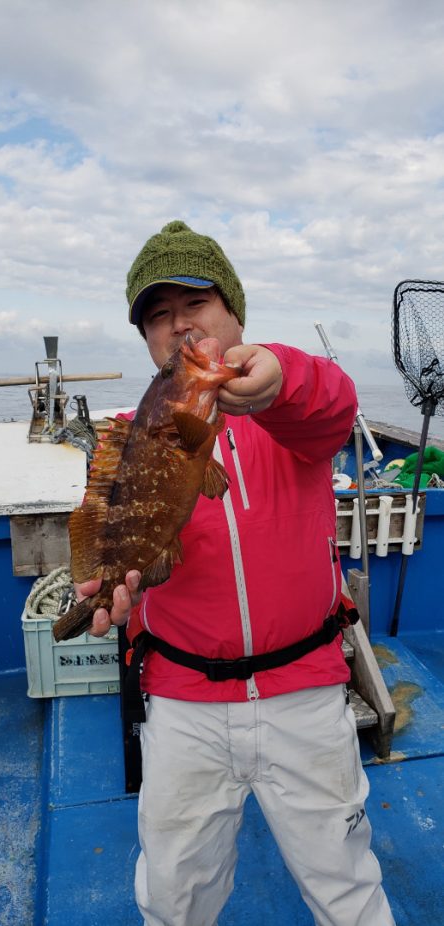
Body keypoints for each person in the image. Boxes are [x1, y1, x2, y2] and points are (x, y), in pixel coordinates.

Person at [79, 220, 396, 926]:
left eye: (196, 303)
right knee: (175, 897)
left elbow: (334, 402)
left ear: (235, 313)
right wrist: (103, 579)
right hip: (183, 702)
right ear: (147, 339)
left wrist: (280, 374)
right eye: (158, 316)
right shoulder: (132, 432)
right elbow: (110, 519)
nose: (179, 325)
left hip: (306, 694)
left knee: (346, 886)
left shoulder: (290, 411)